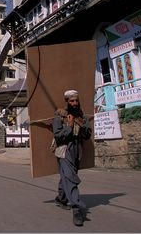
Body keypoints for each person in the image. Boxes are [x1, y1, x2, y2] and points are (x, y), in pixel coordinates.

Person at [52, 90, 92, 226]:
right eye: (72, 101)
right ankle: (76, 208)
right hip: (64, 150)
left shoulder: (82, 117)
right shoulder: (59, 117)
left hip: (77, 151)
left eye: (76, 101)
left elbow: (87, 136)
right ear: (67, 102)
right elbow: (58, 136)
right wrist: (69, 127)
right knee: (70, 177)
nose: (75, 103)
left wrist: (82, 126)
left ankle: (61, 199)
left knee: (67, 176)